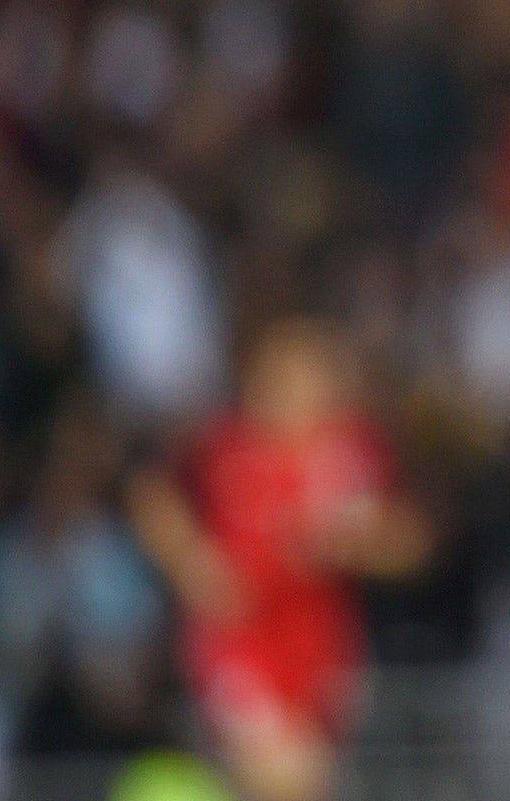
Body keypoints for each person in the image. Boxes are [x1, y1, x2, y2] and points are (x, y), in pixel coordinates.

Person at [129, 319, 430, 801]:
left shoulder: (348, 449)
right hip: (241, 636)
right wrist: (193, 562)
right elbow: (151, 492)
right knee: (287, 777)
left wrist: (357, 543)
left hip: (320, 635)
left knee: (307, 780)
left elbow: (410, 541)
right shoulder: (223, 445)